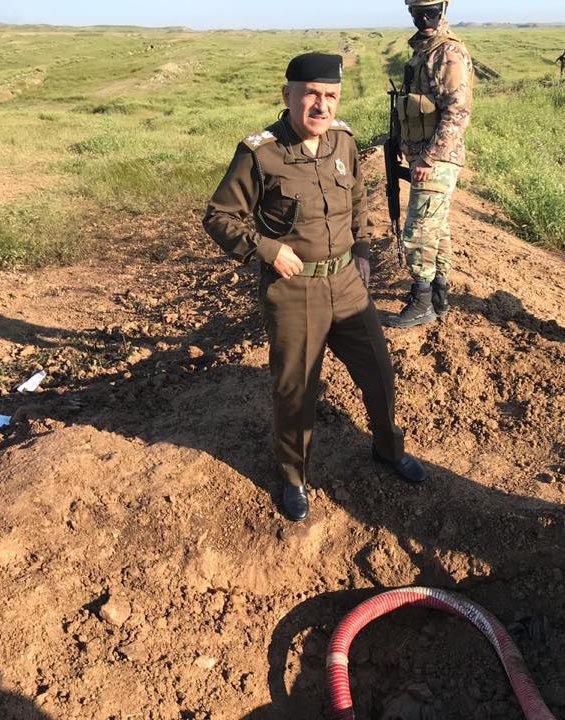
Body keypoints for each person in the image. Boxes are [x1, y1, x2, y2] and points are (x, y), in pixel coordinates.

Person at [202, 53, 427, 522]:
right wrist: (266, 251)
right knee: (296, 392)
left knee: (379, 375)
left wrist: (362, 250)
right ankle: (293, 477)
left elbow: (359, 199)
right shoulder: (260, 153)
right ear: (288, 96)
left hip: (346, 284)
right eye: (311, 95)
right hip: (294, 291)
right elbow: (219, 216)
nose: (321, 106)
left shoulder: (342, 142)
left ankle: (388, 449)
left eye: (330, 96)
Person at [383, 0, 473, 329]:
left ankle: (422, 301)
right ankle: (438, 295)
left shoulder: (446, 52)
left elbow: (457, 112)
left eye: (431, 11)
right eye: (418, 12)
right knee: (437, 228)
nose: (425, 18)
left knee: (419, 230)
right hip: (424, 154)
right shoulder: (423, 51)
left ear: (443, 9)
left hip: (436, 158)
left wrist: (428, 158)